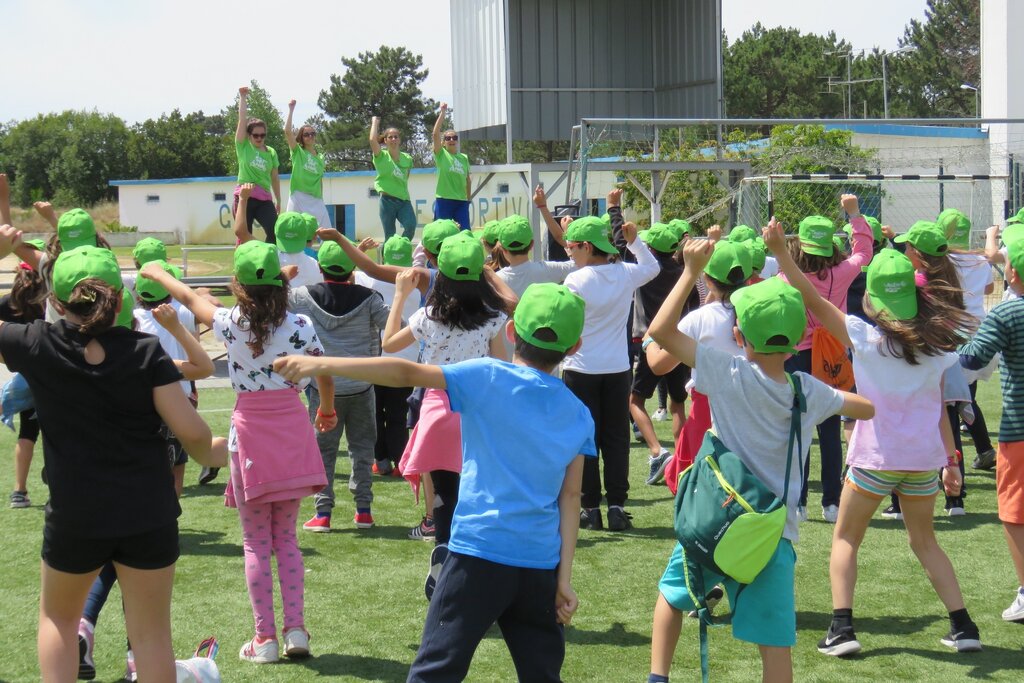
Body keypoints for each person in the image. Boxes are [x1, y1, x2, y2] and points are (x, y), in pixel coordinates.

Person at [273, 282, 595, 683]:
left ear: (511, 332)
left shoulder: (487, 376)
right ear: (575, 345)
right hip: (539, 565)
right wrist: (562, 580)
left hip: (477, 555)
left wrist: (322, 364)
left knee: (434, 673)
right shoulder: (579, 414)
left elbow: (403, 370)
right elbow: (570, 497)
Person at [0, 234, 226, 682]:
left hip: (75, 514)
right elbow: (197, 440)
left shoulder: (37, 344)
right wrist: (239, 450)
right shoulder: (146, 352)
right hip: (148, 511)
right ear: (120, 297)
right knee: (151, 636)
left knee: (59, 622)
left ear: (58, 304)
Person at [646, 237, 873, 683]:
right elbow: (865, 407)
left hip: (716, 518)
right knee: (776, 643)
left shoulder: (726, 374)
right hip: (773, 533)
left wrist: (690, 272)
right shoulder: (807, 391)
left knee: (674, 596)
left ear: (738, 336)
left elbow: (659, 334)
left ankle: (659, 678)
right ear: (795, 343)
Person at [764, 218, 983, 656]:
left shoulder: (863, 337)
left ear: (873, 299)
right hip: (924, 460)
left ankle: (842, 630)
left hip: (875, 457)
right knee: (926, 542)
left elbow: (810, 296)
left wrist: (783, 253)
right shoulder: (938, 345)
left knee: (845, 538)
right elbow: (942, 410)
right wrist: (951, 462)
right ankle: (964, 627)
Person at [141, 241, 335, 664]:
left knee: (255, 541)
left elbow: (191, 297)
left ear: (239, 288)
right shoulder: (300, 323)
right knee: (286, 539)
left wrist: (157, 273)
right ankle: (296, 631)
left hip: (249, 437)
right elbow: (322, 370)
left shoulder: (231, 322)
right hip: (292, 430)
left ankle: (263, 638)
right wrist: (325, 408)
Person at [382, 232, 510, 598]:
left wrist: (400, 295)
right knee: (477, 494)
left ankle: (443, 545)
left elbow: (389, 344)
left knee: (443, 493)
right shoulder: (493, 318)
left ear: (441, 272)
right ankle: (471, 567)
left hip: (437, 411)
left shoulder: (428, 316)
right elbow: (501, 365)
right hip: (477, 412)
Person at [562, 206, 660, 531]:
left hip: (580, 369)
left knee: (585, 440)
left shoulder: (575, 280)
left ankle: (591, 508)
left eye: (572, 246)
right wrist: (635, 242)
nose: (569, 251)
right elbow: (652, 267)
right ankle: (617, 505)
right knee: (616, 439)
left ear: (587, 247)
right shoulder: (625, 273)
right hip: (618, 369)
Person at [778, 203, 873, 523]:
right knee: (830, 430)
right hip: (834, 353)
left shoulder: (787, 276)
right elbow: (863, 253)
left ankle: (799, 501)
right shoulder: (843, 272)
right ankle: (832, 503)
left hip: (800, 356)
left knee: (799, 429)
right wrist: (855, 215)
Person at [294, 241, 389, 532]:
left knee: (323, 451)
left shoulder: (300, 296)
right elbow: (392, 323)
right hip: (362, 384)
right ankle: (364, 511)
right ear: (353, 270)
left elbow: (272, 301)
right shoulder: (371, 298)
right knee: (362, 450)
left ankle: (323, 514)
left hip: (322, 389)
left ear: (320, 268)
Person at [645, 235, 752, 490]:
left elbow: (659, 365)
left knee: (699, 487)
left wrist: (649, 342)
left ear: (707, 279)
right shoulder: (758, 310)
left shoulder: (700, 318)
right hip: (752, 407)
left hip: (708, 411)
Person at [959, 237, 1024, 625]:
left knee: (1016, 513)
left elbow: (971, 358)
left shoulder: (1007, 315)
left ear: (1012, 272)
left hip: (1020, 429)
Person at [628, 222, 694, 486]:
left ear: (652, 250)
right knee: (678, 404)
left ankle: (657, 451)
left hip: (650, 341)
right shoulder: (682, 272)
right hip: (677, 340)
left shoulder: (644, 272)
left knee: (634, 400)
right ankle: (681, 462)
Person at [354, 235, 422, 478]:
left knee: (375, 413)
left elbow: (352, 270)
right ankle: (401, 462)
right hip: (407, 359)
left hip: (375, 357)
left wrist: (359, 248)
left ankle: (380, 461)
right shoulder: (419, 282)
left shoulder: (366, 279)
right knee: (397, 415)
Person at [0, 249, 44, 509]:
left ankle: (20, 491)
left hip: (26, 377)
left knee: (27, 432)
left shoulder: (10, 301)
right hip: (55, 375)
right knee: (61, 430)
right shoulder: (50, 299)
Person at [233, 86, 281, 243]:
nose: (259, 138)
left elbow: (274, 178)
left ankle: (269, 262)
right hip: (245, 197)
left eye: (263, 135)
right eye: (256, 135)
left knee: (275, 232)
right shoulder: (243, 146)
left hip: (264, 199)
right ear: (249, 135)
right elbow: (242, 119)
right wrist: (243, 97)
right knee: (243, 236)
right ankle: (243, 265)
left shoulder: (271, 152)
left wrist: (278, 200)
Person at [285, 99, 332, 232]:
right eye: (306, 134)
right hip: (298, 196)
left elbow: (319, 180)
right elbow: (288, 132)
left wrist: (321, 198)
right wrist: (291, 109)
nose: (310, 136)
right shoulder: (298, 152)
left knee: (327, 233)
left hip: (316, 200)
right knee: (291, 229)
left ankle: (328, 253)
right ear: (301, 137)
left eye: (312, 134)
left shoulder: (321, 157)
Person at [370, 116, 416, 240]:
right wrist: (375, 122)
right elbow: (372, 141)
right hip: (387, 201)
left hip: (404, 201)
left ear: (399, 140)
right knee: (389, 236)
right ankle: (388, 257)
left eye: (396, 136)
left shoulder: (407, 159)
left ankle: (401, 248)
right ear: (385, 140)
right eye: (390, 137)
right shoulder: (381, 156)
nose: (393, 139)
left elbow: (406, 178)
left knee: (411, 226)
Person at [431, 103, 471, 230]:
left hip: (461, 202)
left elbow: (467, 180)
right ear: (443, 142)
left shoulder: (464, 158)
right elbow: (435, 134)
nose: (451, 140)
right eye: (448, 138)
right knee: (443, 233)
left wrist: (468, 199)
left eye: (454, 137)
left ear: (457, 140)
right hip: (444, 201)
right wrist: (442, 114)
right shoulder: (441, 154)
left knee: (465, 232)